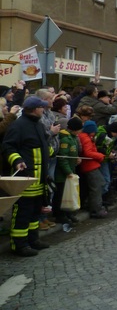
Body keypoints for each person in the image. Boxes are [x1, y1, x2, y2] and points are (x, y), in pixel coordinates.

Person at [2, 96, 54, 256]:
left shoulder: (37, 124)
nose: (43, 110)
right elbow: (7, 147)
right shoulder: (18, 125)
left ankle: (33, 240)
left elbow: (44, 145)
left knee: (34, 213)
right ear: (33, 109)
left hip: (39, 179)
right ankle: (19, 245)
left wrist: (49, 153)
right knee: (23, 213)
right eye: (41, 107)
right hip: (25, 179)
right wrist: (17, 160)